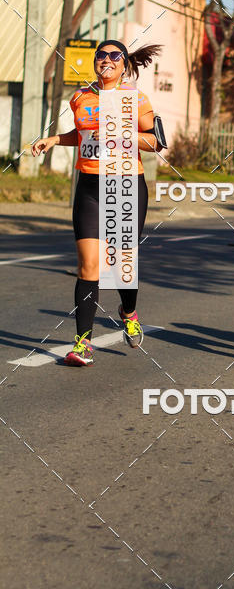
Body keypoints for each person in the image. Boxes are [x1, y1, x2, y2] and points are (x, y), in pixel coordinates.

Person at [32, 40, 162, 366]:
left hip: (127, 187)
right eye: (100, 55)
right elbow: (82, 135)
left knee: (121, 266)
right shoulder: (80, 97)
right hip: (89, 186)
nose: (106, 60)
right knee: (89, 264)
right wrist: (53, 140)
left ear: (124, 63)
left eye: (114, 56)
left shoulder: (136, 99)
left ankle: (128, 311)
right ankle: (82, 344)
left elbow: (156, 141)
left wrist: (120, 134)